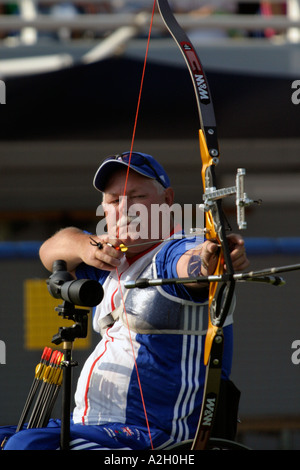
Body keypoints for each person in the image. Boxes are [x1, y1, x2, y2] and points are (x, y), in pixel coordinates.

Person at [0, 151, 249, 450]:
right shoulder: (108, 257)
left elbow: (194, 265)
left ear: (167, 200)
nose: (125, 208)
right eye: (114, 200)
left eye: (137, 196)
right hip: (92, 426)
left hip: (151, 435)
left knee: (26, 447)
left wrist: (213, 257)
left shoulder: (176, 250)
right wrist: (84, 246)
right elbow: (50, 250)